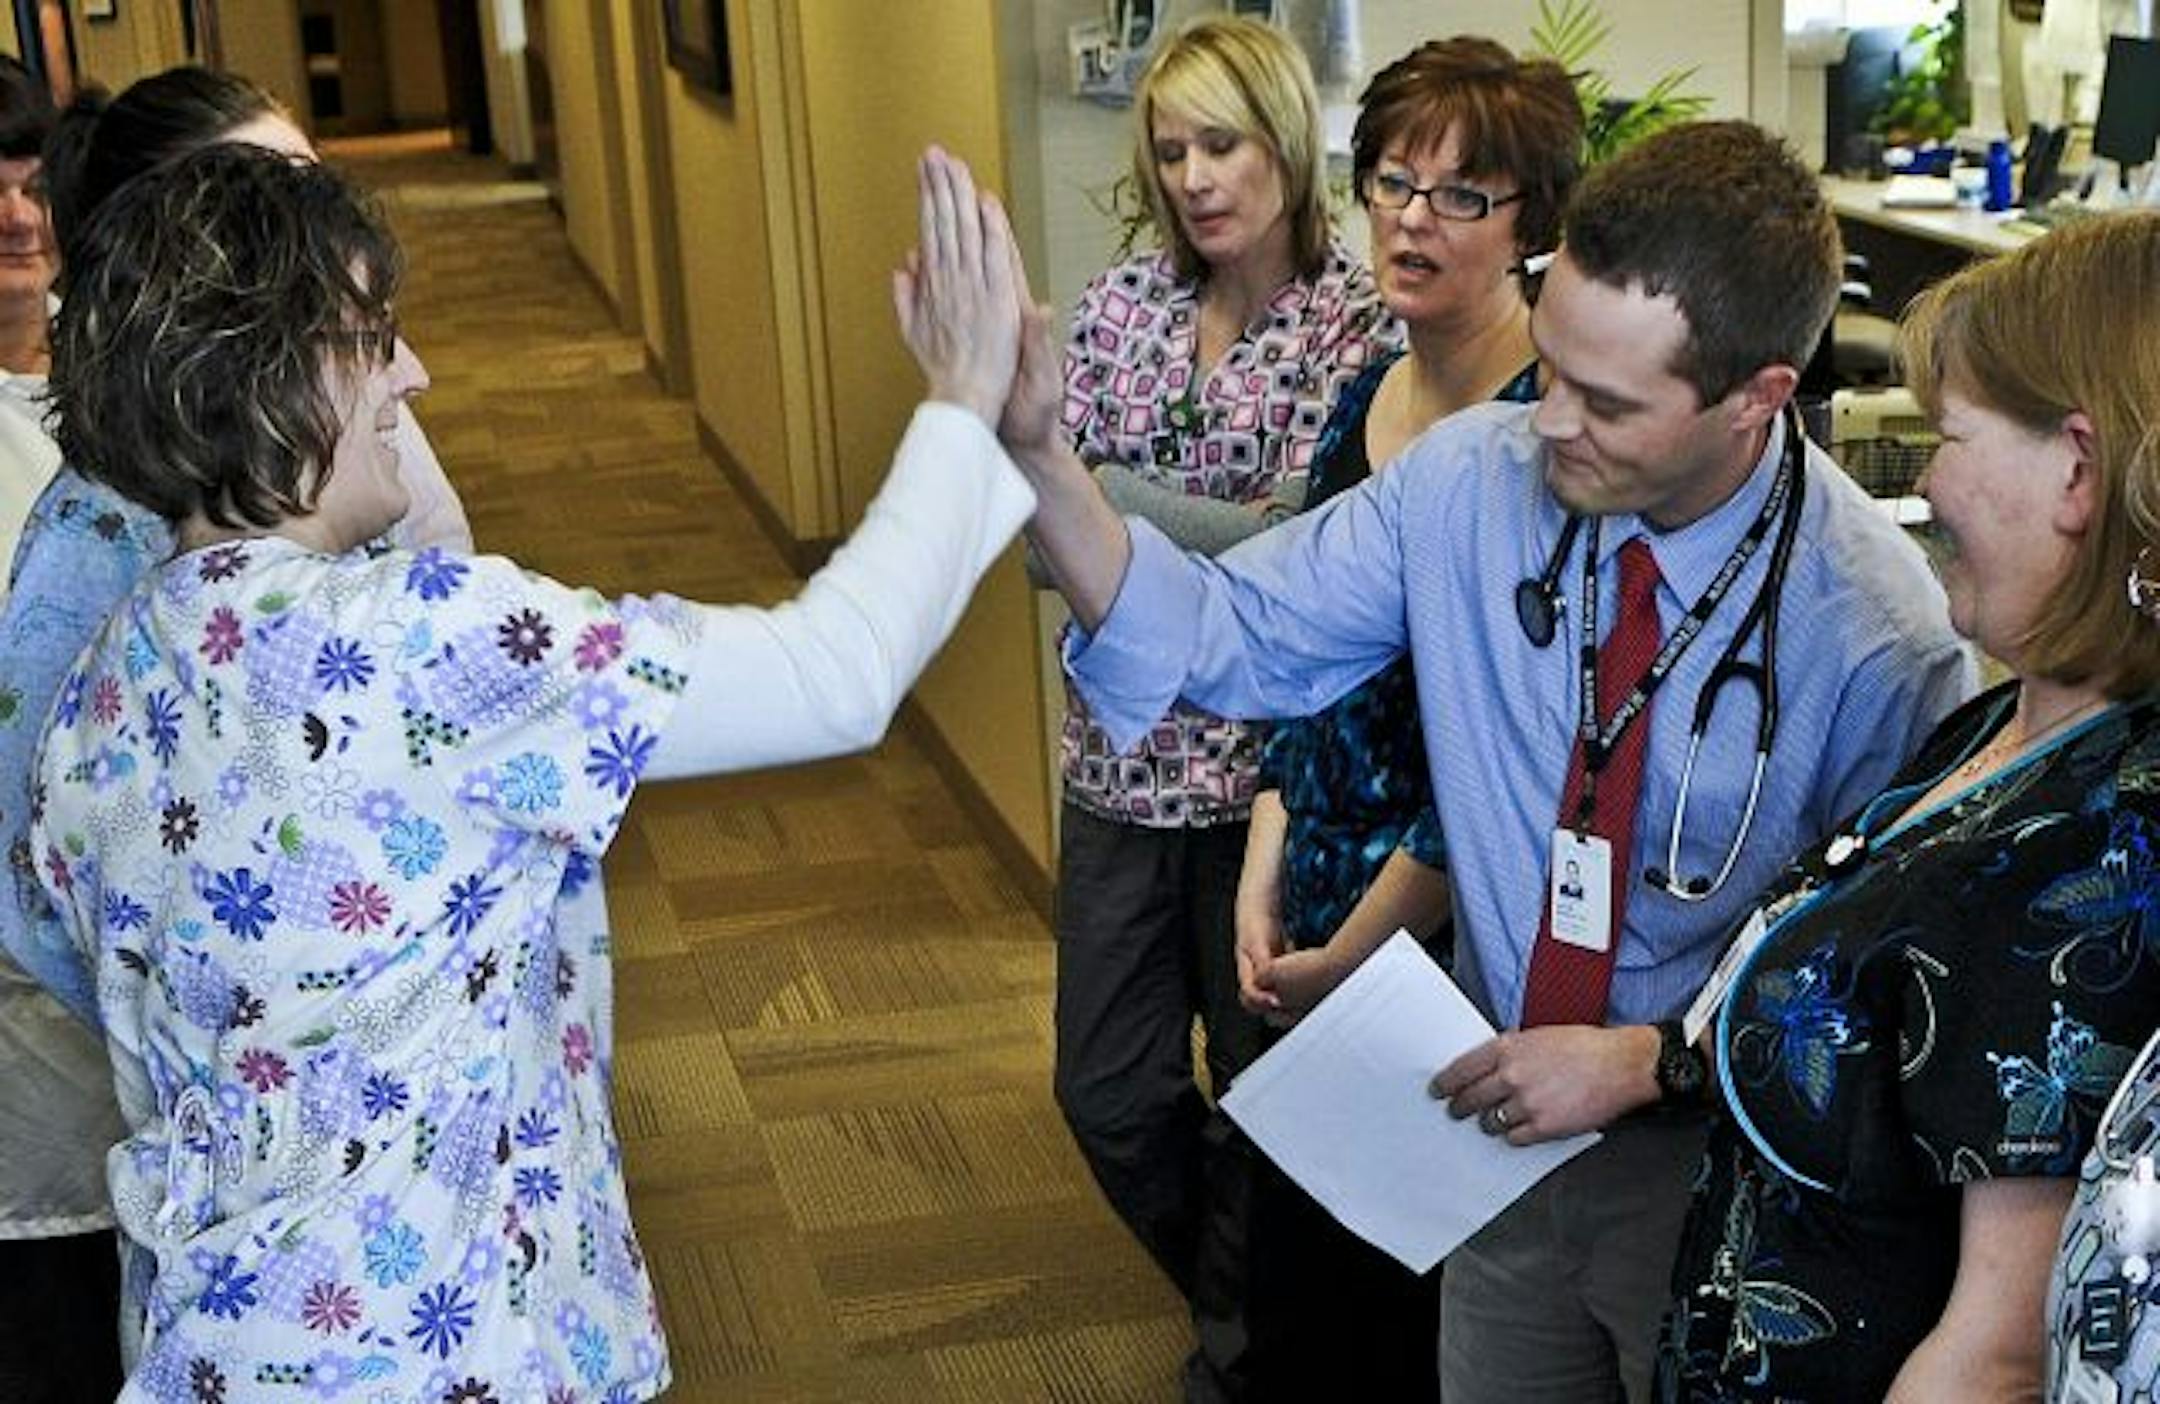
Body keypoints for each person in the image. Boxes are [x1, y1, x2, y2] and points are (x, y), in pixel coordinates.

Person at [30, 141, 1034, 1401]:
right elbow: (838, 672)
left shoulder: (98, 686)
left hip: (216, 1342)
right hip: (435, 1353)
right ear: (266, 368)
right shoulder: (420, 642)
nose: (412, 374)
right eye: (373, 337)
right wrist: (964, 397)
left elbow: (90, 984)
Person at [1010, 119, 1974, 1403]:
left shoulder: (1878, 635)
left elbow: (1877, 988)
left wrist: (1649, 1061)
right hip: (1496, 1131)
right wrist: (1040, 457)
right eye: (1551, 366)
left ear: (1758, 398)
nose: (1549, 420)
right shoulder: (1467, 483)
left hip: (1714, 1170)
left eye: (1607, 402)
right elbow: (1227, 631)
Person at [1655, 209, 2160, 1401]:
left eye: (1950, 437)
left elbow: (1996, 1357)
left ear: (2078, 470)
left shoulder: (2105, 850)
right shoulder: (2006, 723)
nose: (1926, 482)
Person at [1226, 36, 1581, 1401]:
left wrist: (1356, 955)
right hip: (1314, 918)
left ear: (1532, 225)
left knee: (1405, 1334)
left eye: (1462, 195)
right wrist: (1263, 875)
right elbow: (1303, 662)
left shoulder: (1545, 438)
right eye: (1392, 181)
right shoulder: (1364, 398)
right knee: (1295, 1314)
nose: (1413, 220)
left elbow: (1498, 759)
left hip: (1441, 951)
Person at [1044, 15, 1394, 1398]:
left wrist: (1108, 504)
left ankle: (1248, 1358)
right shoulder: (1117, 308)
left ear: (1287, 144)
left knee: (1267, 1099)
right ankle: (1259, 1311)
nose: (1193, 177)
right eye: (1171, 148)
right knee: (1108, 1089)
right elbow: (1041, 540)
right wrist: (1199, 524)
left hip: (1270, 786)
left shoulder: (1357, 327)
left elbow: (1314, 552)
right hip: (1120, 766)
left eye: (1223, 143)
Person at [0, 51, 133, 1404]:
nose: (14, 211)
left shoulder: (137, 390)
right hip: (26, 1016)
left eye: (32, 176)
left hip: (156, 998)